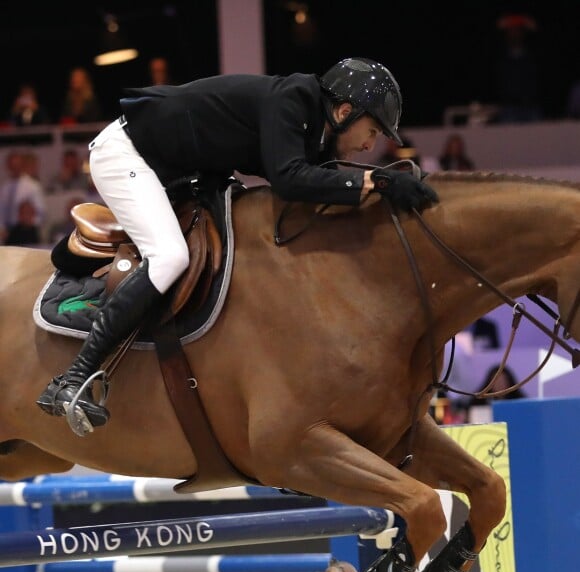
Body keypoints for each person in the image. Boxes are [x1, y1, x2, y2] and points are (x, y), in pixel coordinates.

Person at [36, 56, 439, 431]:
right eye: (372, 131)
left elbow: (313, 185)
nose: (372, 146)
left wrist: (382, 190)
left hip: (178, 169)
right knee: (170, 256)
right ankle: (74, 377)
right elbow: (289, 179)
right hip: (128, 156)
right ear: (344, 111)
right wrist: (377, 180)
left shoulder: (313, 126)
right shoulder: (293, 100)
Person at [0, 150, 46, 244]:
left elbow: (41, 211)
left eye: (17, 165)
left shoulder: (32, 186)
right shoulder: (5, 187)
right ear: (8, 166)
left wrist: (30, 225)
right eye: (12, 166)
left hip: (26, 232)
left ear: (22, 165)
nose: (15, 168)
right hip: (7, 233)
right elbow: (2, 211)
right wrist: (2, 228)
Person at [455, 364, 525, 424]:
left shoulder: (518, 400)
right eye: (496, 381)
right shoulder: (479, 400)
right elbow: (468, 414)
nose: (500, 384)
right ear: (489, 383)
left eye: (503, 380)